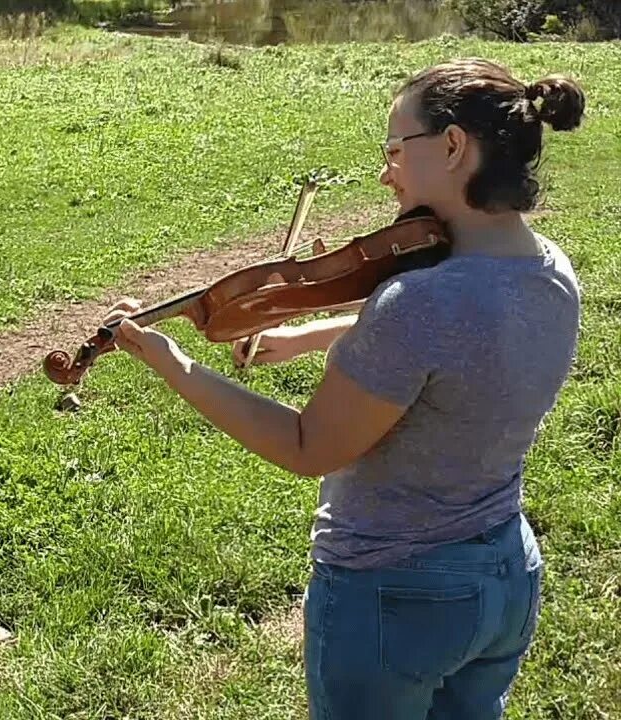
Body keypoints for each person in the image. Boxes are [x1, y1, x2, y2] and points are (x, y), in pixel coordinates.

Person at [101, 58, 586, 719]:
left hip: (396, 591)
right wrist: (305, 336)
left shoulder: (419, 304)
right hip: (503, 568)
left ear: (452, 147)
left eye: (395, 149)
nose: (385, 171)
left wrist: (174, 363)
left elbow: (307, 446)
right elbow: (458, 335)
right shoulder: (547, 268)